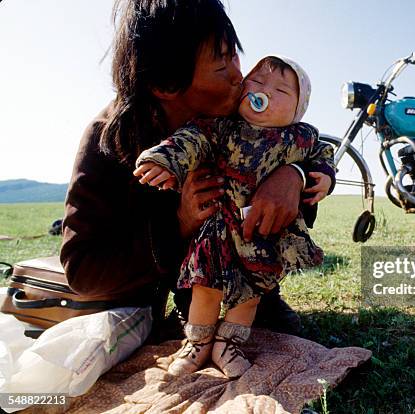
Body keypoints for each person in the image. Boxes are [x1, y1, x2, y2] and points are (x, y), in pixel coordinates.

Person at [60, 0, 335, 342]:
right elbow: (83, 271)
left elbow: (302, 145)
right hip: (170, 288)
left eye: (234, 54)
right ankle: (192, 304)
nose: (240, 76)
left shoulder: (240, 114)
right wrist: (178, 223)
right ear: (166, 84)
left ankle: (260, 295)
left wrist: (294, 175)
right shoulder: (108, 143)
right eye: (221, 68)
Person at [134, 56, 334, 377]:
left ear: (297, 110)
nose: (263, 91)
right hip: (217, 228)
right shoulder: (221, 128)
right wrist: (165, 159)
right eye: (255, 82)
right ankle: (197, 344)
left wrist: (323, 175)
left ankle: (228, 344)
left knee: (251, 293)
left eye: (280, 90)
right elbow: (190, 141)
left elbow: (322, 155)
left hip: (260, 236)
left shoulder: (300, 137)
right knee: (206, 285)